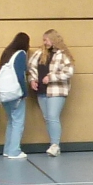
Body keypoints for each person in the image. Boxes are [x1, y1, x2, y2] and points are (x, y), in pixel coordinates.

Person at [34, 29, 74, 157]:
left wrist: (51, 77)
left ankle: (55, 145)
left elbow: (69, 72)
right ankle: (53, 144)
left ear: (53, 39)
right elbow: (32, 68)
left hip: (56, 91)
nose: (44, 42)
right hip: (42, 90)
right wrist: (32, 80)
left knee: (53, 116)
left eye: (46, 40)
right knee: (48, 118)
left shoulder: (62, 54)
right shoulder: (39, 53)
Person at [0, 32, 32, 158]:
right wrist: (24, 92)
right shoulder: (20, 54)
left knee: (11, 121)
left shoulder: (7, 53)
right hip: (15, 93)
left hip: (4, 93)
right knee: (18, 122)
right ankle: (14, 151)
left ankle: (7, 149)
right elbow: (20, 75)